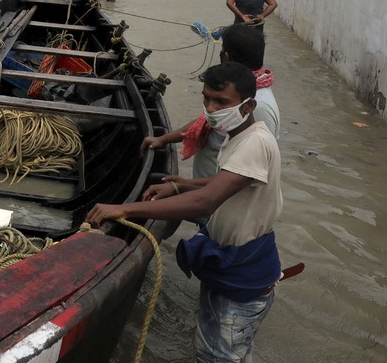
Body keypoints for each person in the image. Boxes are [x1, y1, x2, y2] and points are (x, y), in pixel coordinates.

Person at [88, 62, 282, 363]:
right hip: (232, 264)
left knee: (219, 357)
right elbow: (228, 180)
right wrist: (181, 185)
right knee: (223, 353)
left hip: (243, 274)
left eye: (221, 102)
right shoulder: (239, 134)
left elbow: (205, 202)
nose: (210, 108)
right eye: (206, 98)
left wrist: (124, 207)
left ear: (249, 106)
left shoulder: (255, 142)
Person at [141, 25, 280, 196]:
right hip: (205, 191)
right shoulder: (234, 96)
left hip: (219, 199)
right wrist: (163, 139)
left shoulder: (257, 106)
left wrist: (183, 187)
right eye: (207, 99)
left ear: (226, 56)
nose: (210, 107)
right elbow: (208, 120)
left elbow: (246, 174)